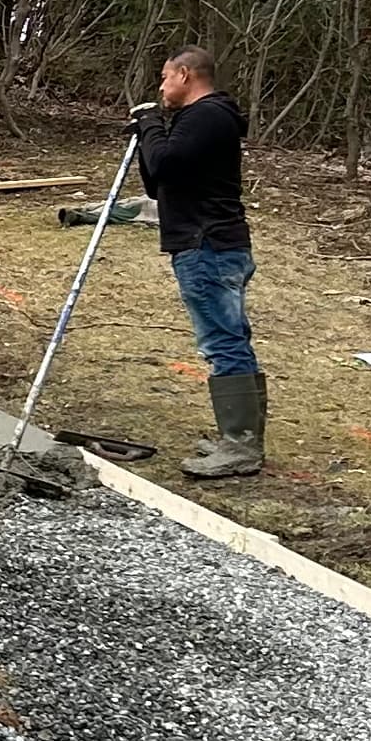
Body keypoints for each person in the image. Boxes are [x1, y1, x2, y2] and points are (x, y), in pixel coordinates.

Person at [136, 46, 261, 479]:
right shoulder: (199, 120)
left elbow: (166, 163)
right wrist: (147, 131)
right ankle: (238, 436)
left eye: (165, 78)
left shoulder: (207, 116)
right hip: (205, 243)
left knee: (223, 342)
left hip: (208, 245)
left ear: (185, 75)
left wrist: (151, 124)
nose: (161, 87)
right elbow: (157, 182)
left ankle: (241, 444)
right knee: (229, 339)